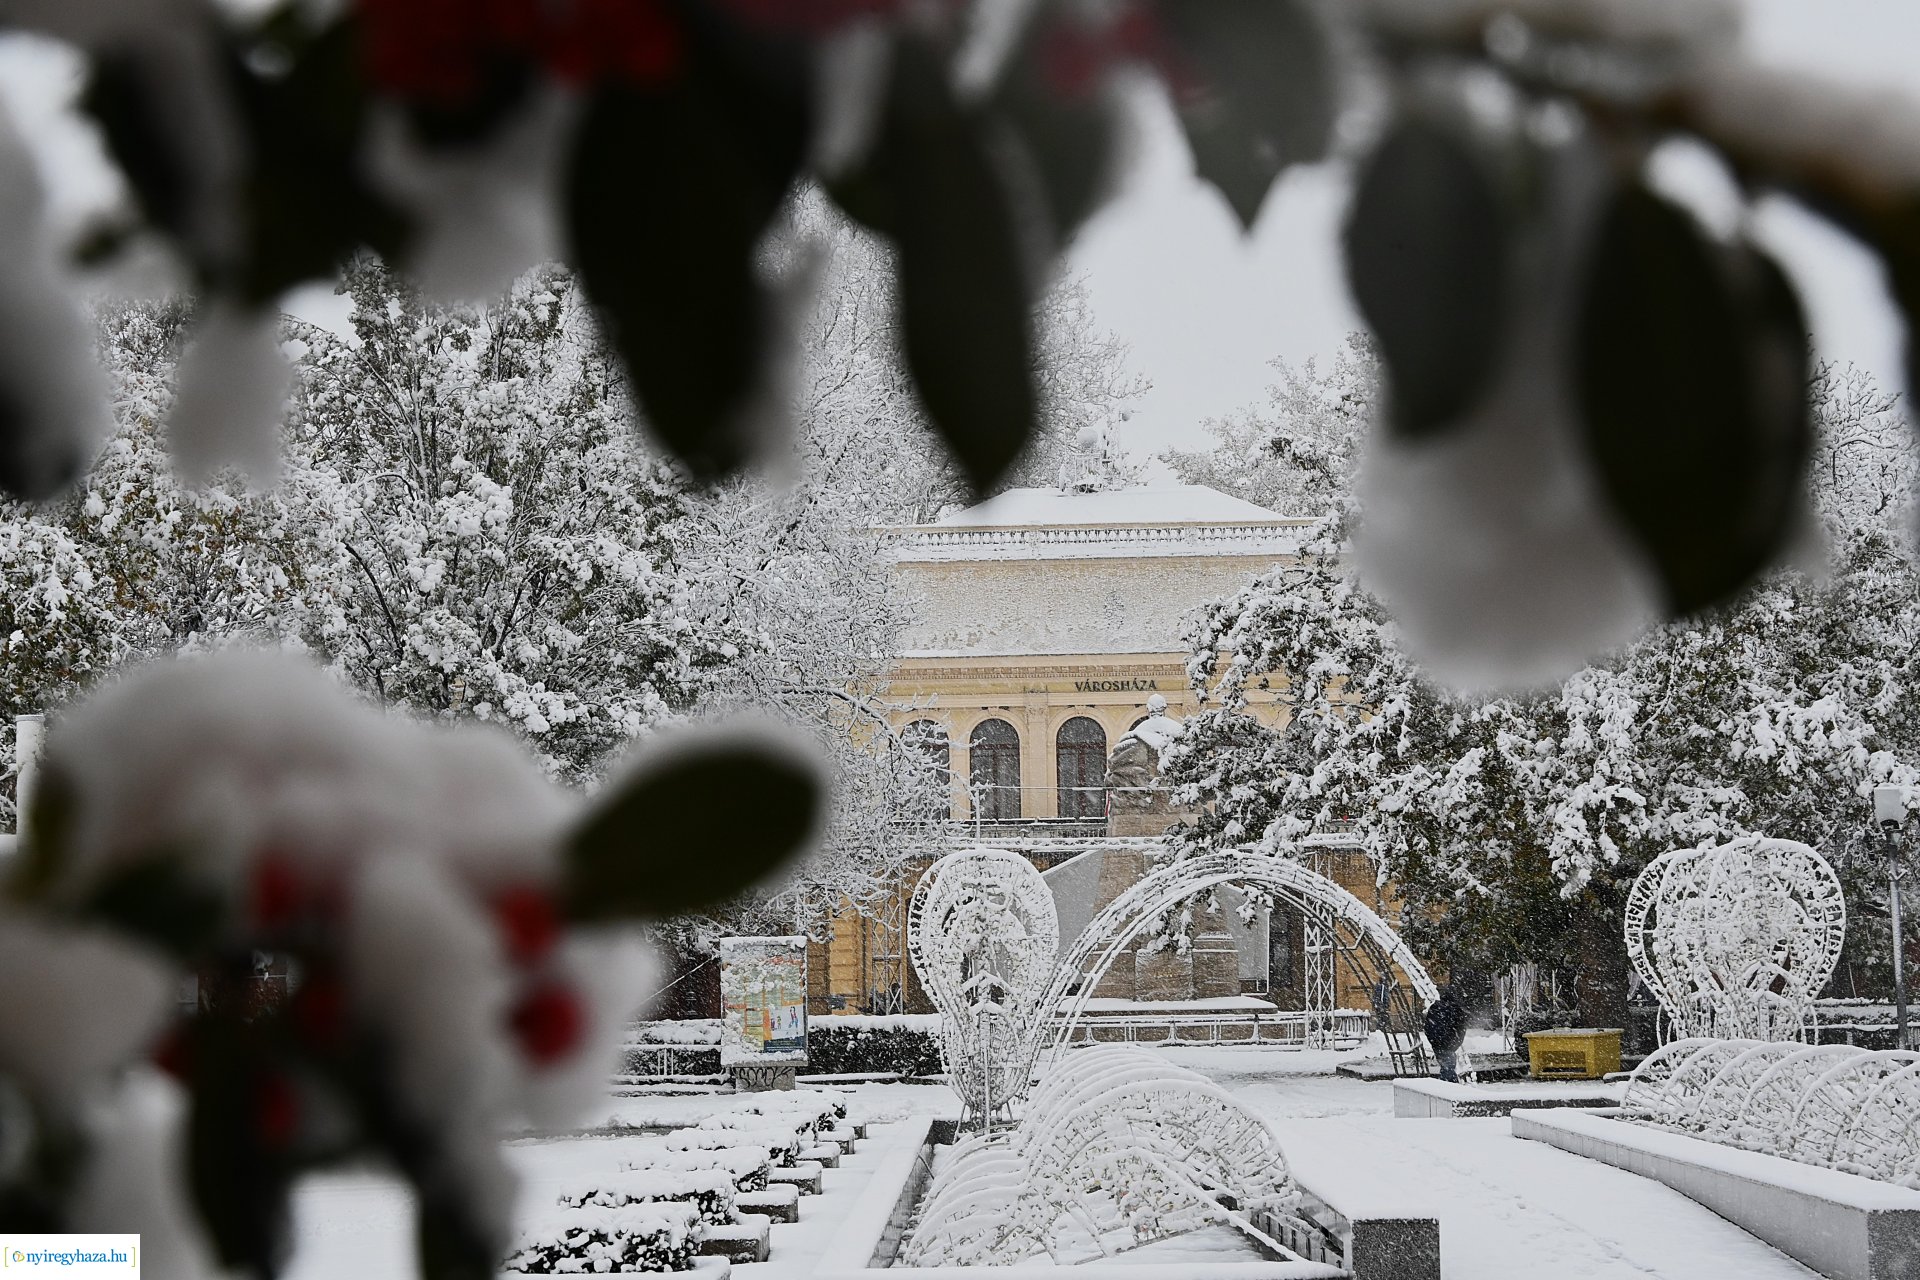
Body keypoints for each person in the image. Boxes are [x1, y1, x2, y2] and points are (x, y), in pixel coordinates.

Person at [1423, 985, 1468, 1083]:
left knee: (1446, 1067)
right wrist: (1454, 1043)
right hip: (1448, 1045)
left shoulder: (1435, 1008)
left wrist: (1434, 1042)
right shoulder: (1456, 1009)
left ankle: (1446, 1084)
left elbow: (1427, 1028)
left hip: (1438, 1044)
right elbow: (1461, 1029)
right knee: (1449, 1068)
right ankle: (1449, 1086)